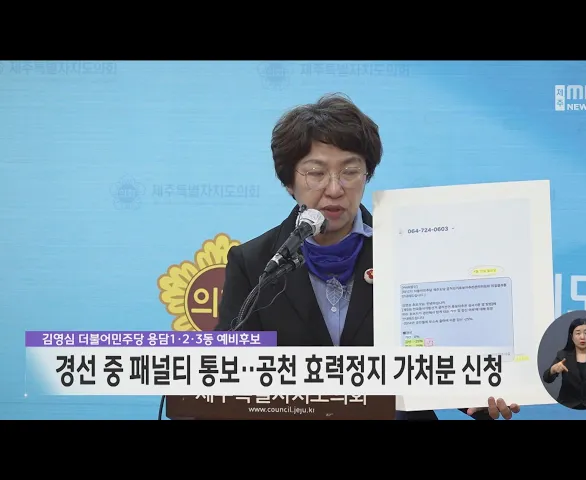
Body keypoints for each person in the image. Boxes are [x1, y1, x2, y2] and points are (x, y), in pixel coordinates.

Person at [216, 92, 520, 420]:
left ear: (367, 175)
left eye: (350, 171)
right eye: (316, 173)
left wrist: (481, 394)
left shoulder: (411, 247)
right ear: (289, 182)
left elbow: (443, 358)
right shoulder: (255, 264)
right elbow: (232, 373)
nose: (335, 189)